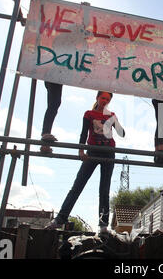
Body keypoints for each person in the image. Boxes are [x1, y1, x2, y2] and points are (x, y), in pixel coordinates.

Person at [45, 91, 125, 233]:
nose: (105, 101)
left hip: (109, 153)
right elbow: (83, 133)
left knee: (104, 190)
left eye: (107, 99)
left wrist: (115, 121)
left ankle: (103, 224)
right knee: (78, 185)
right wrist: (81, 151)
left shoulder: (111, 115)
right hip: (92, 151)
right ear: (97, 98)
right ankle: (60, 218)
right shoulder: (89, 114)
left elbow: (122, 133)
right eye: (103, 98)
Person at [40, 81, 63, 153]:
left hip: (57, 75)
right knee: (54, 103)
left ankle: (45, 143)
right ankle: (45, 133)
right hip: (54, 74)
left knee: (54, 103)